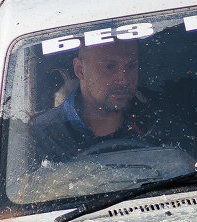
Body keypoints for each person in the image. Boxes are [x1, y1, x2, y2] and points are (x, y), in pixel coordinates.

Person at [30, 39, 171, 161]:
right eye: (109, 66)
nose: (124, 79)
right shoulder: (40, 137)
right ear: (80, 70)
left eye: (130, 66)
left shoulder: (159, 123)